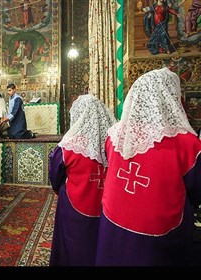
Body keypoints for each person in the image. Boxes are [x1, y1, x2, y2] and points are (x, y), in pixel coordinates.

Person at [95, 67, 201, 266]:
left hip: (112, 224)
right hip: (157, 239)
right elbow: (197, 191)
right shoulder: (187, 144)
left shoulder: (114, 135)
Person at [48, 94, 116, 266]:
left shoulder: (69, 145)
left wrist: (57, 188)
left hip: (75, 204)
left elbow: (56, 174)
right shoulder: (115, 143)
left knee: (73, 245)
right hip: (109, 205)